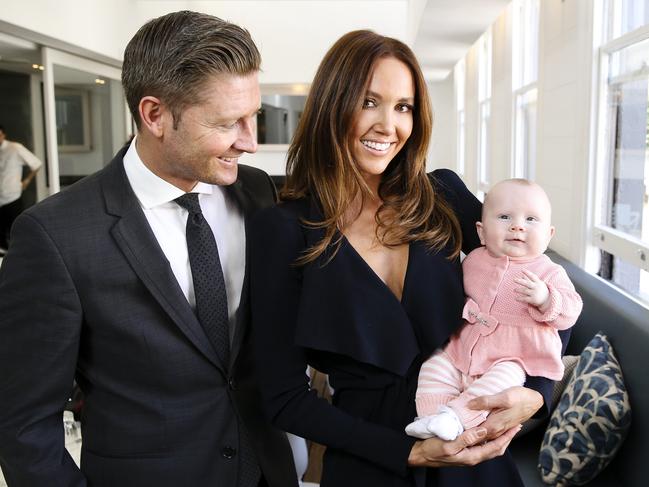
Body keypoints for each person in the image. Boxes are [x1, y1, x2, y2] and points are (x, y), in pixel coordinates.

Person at [249, 30, 571, 487]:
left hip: (474, 450)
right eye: (368, 101)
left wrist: (536, 393)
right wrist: (410, 453)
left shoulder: (440, 196)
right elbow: (283, 398)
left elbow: (547, 286)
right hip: (373, 462)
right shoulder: (283, 229)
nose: (389, 125)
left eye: (404, 107)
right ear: (331, 104)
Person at [0, 11, 297, 487]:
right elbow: (24, 426)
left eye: (253, 117)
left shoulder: (257, 191)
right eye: (228, 123)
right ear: (155, 115)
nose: (251, 142)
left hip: (265, 471)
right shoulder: (54, 235)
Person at [405, 179, 582, 441]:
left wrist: (547, 299)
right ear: (481, 232)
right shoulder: (475, 260)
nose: (517, 225)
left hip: (514, 357)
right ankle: (430, 417)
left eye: (531, 220)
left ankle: (455, 418)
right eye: (504, 216)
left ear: (549, 235)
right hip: (464, 348)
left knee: (503, 380)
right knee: (435, 366)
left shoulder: (549, 272)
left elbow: (572, 310)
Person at [0, 124, 42, 253]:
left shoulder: (15, 148)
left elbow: (36, 164)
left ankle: (20, 255)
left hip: (12, 196)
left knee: (15, 229)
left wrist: (26, 181)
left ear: (3, 134)